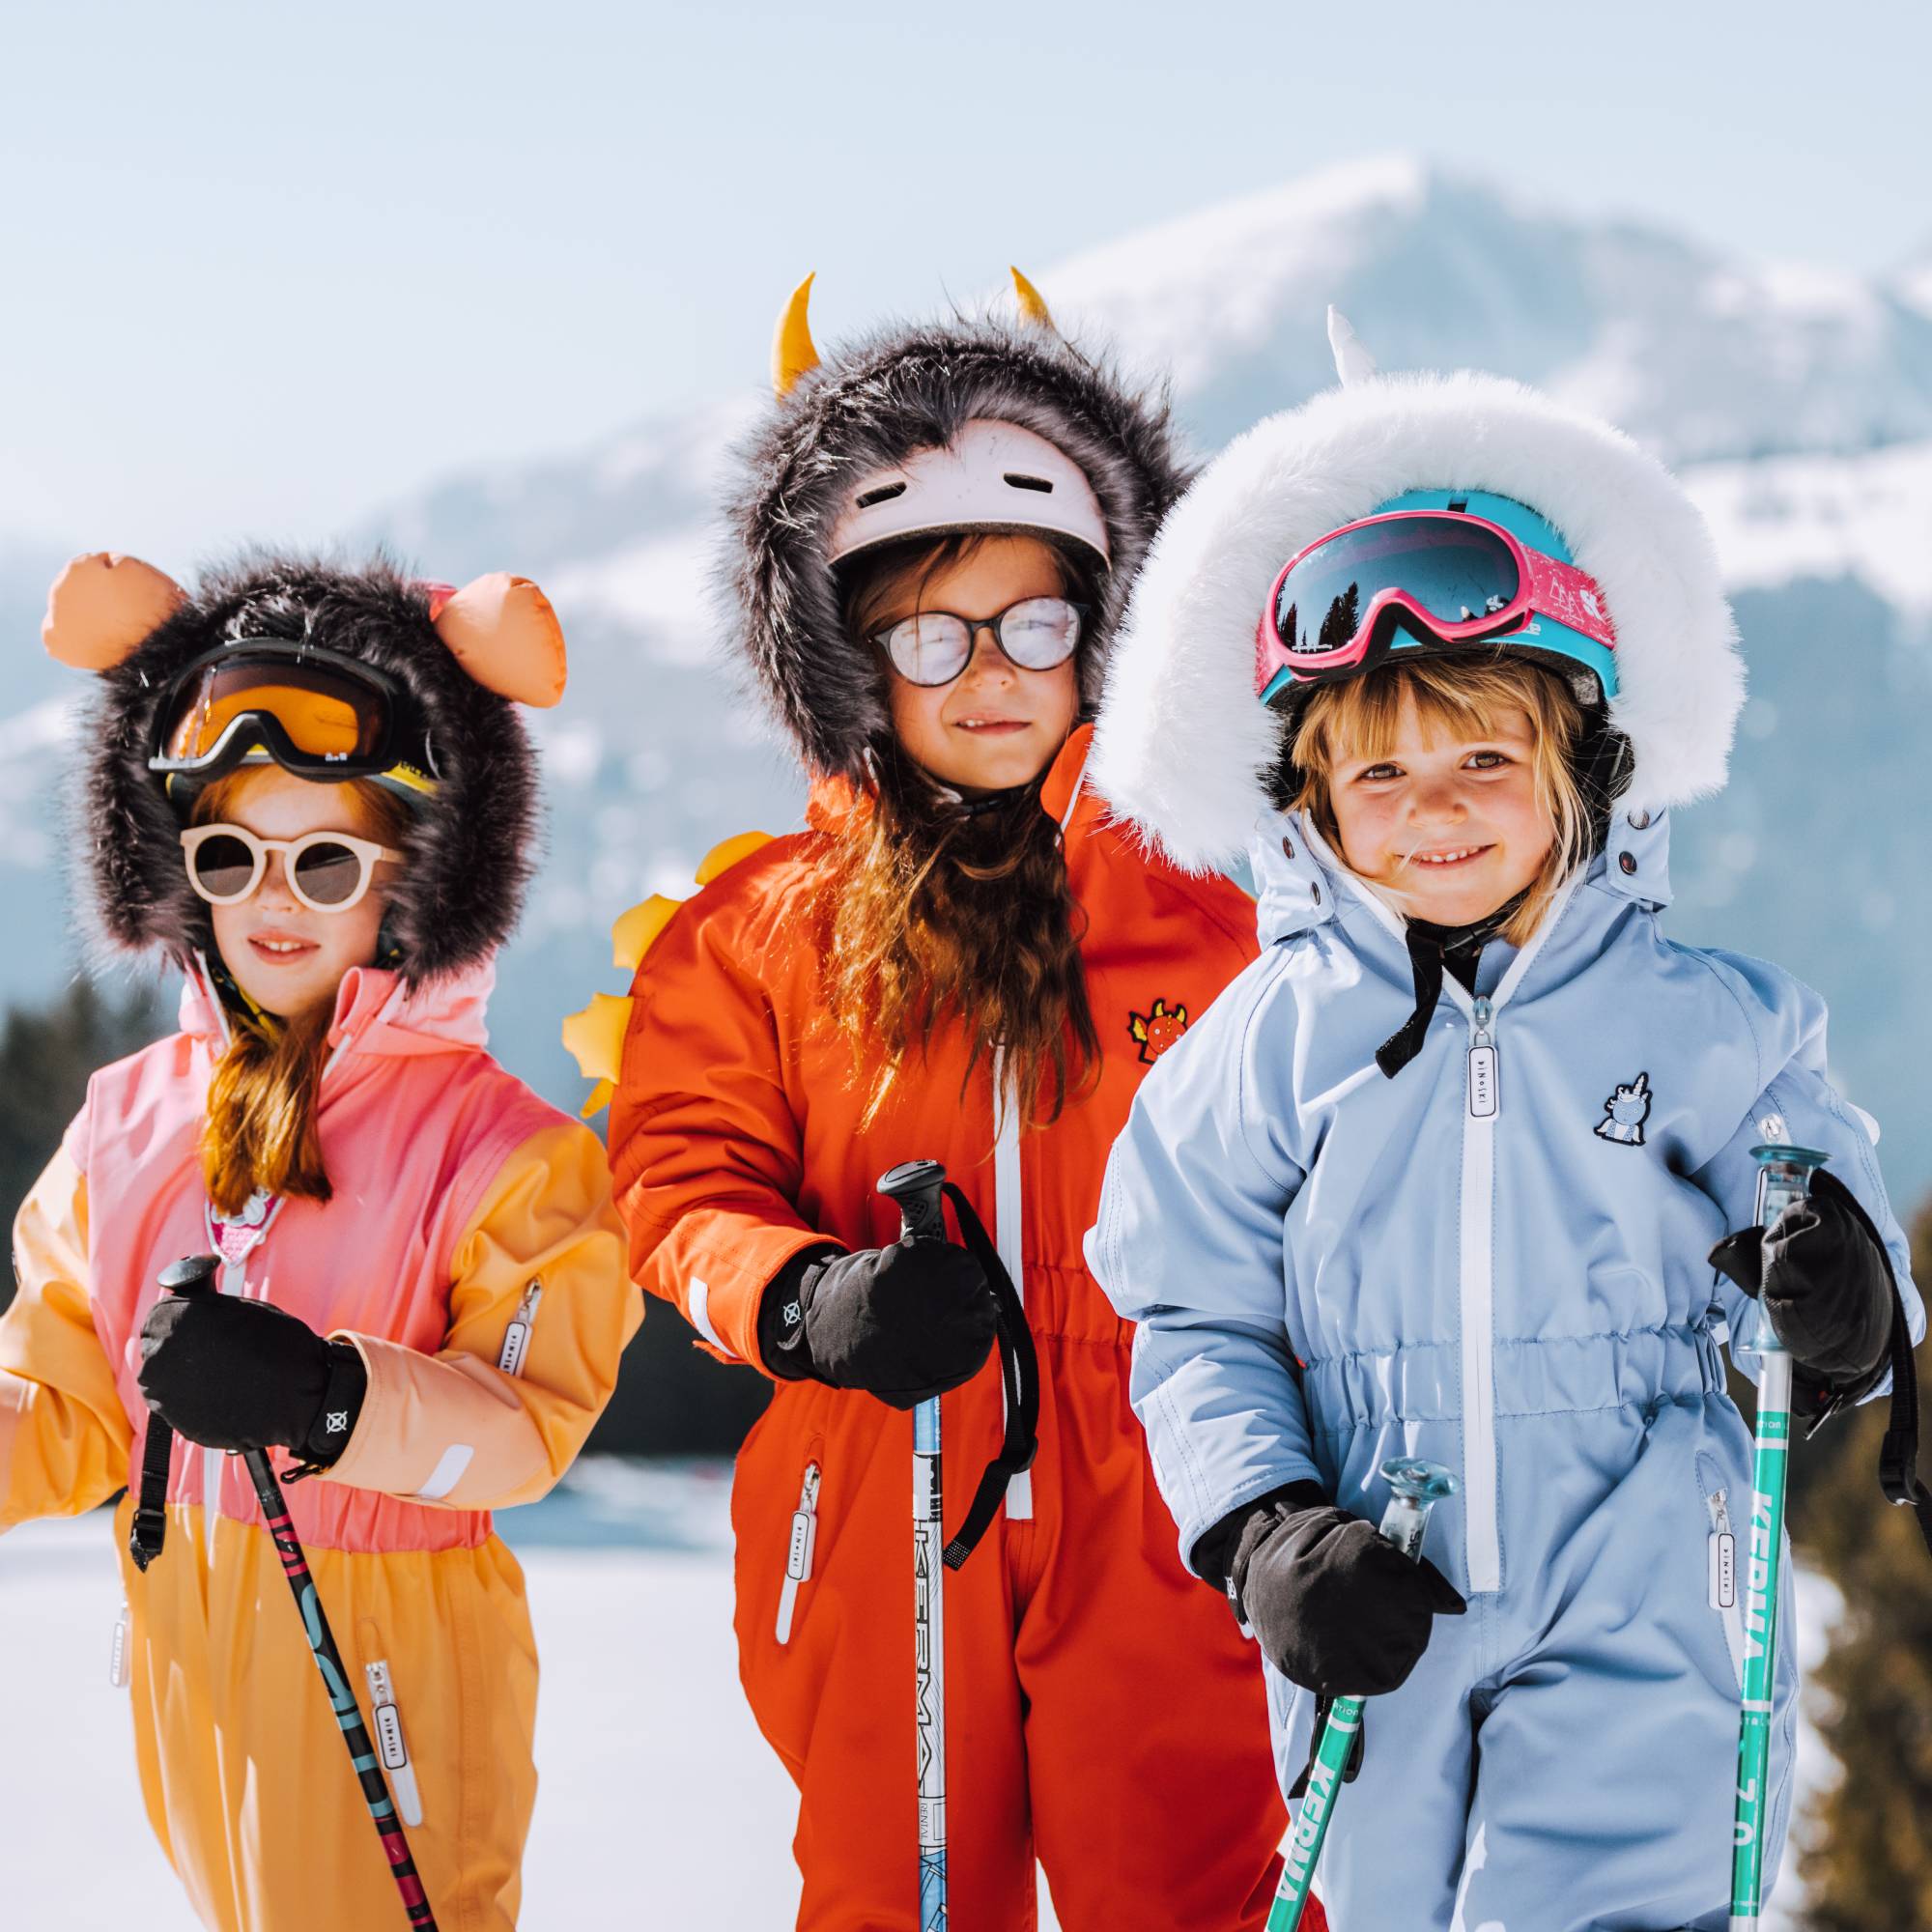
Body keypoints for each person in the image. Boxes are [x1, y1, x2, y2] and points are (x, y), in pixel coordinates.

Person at [1085, 323, 1928, 1929]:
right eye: (1383, 776)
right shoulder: (1260, 1051)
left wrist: (1848, 1300)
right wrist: (1265, 1529)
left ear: (1585, 766)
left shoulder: (1704, 1018)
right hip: (1372, 1566)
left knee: (1606, 1902)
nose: (1441, 808)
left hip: (1640, 1547)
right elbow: (1191, 1314)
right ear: (1310, 807)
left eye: (1487, 756)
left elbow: (1826, 1180)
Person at [602, 276, 1293, 1929]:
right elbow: (674, 1191)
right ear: (848, 657)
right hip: (884, 1485)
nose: (989, 674)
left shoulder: (1226, 903)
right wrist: (802, 1296)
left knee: (1200, 1885)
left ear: (1111, 630)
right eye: (929, 632)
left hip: (1165, 1471)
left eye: (1036, 623)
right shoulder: (767, 932)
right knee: (897, 1895)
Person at [0, 552, 639, 1932]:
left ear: (415, 876)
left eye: (325, 858)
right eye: (231, 855)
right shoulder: (129, 1125)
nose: (273, 899)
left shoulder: (499, 1149)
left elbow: (529, 1427)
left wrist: (327, 1398)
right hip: (191, 1655)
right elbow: (60, 1404)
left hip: (393, 1669)